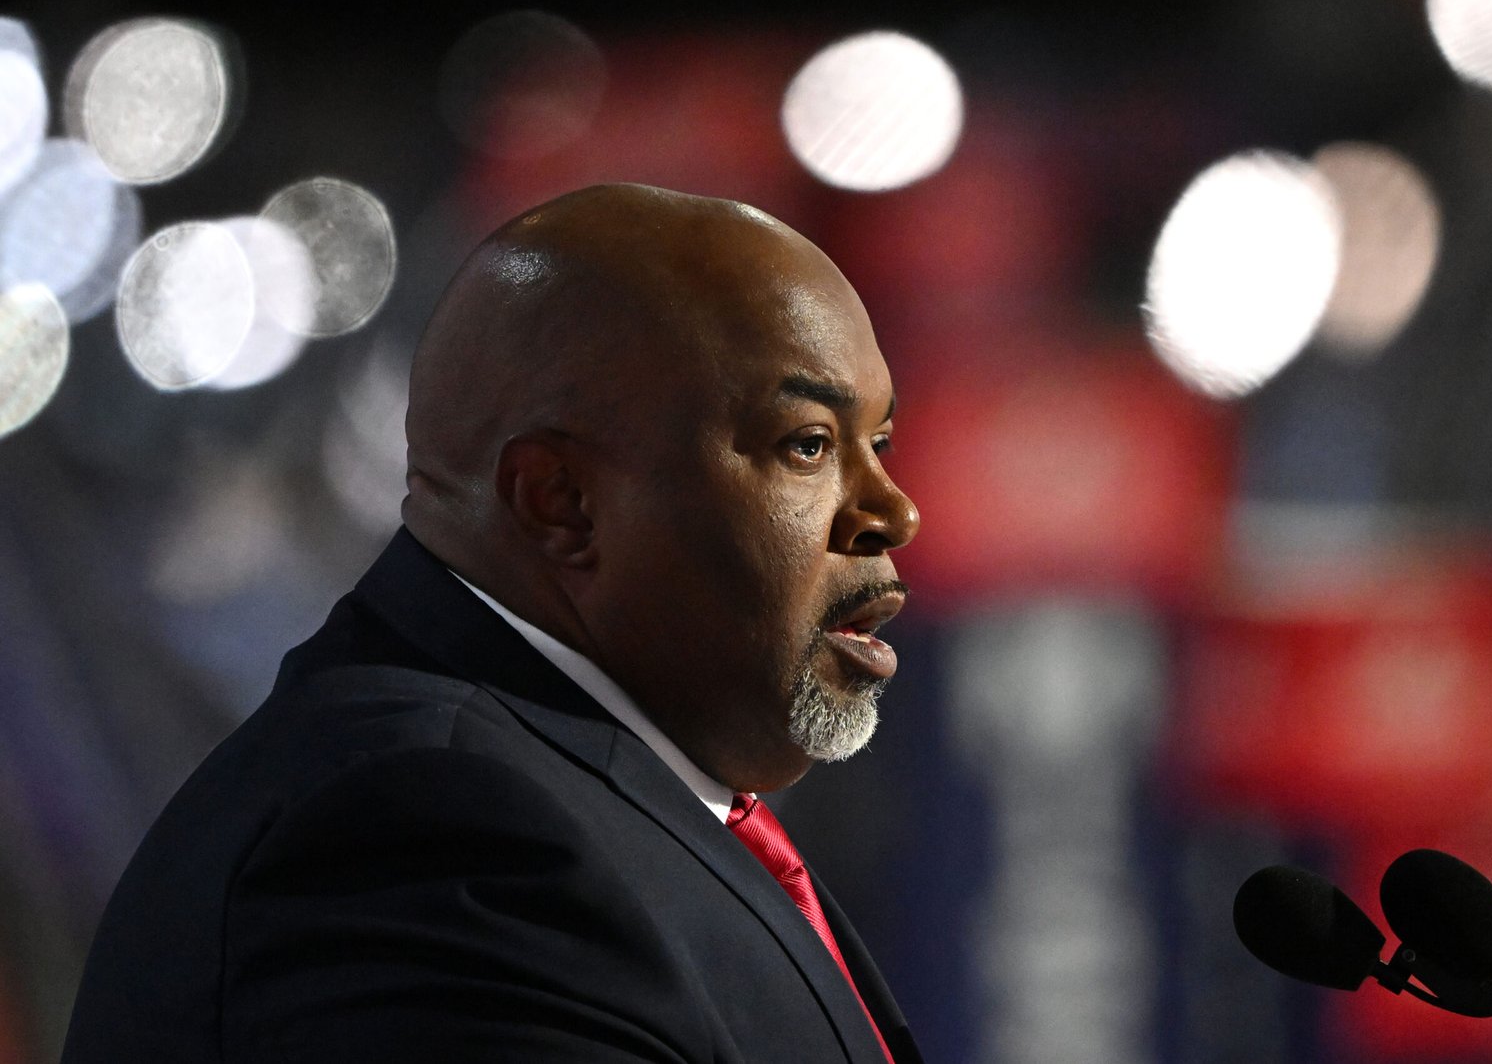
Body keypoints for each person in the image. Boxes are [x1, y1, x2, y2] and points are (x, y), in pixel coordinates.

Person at [62, 183, 923, 1063]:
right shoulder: (428, 831)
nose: (894, 512)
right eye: (808, 444)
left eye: (879, 446)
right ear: (563, 505)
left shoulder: (584, 795)